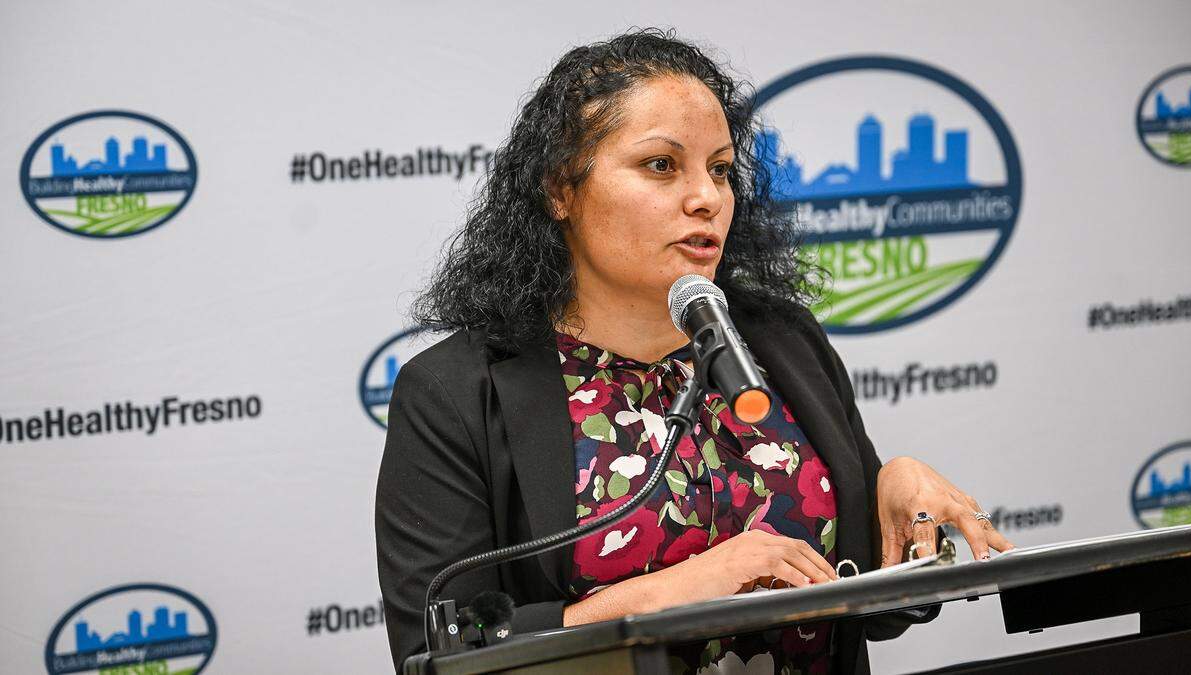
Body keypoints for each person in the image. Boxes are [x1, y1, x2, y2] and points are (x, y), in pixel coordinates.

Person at [376, 28, 1013, 674]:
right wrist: (679, 591)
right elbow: (440, 654)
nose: (707, 197)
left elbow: (865, 603)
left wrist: (901, 514)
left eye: (720, 169)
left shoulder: (783, 343)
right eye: (661, 165)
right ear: (559, 189)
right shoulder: (455, 391)